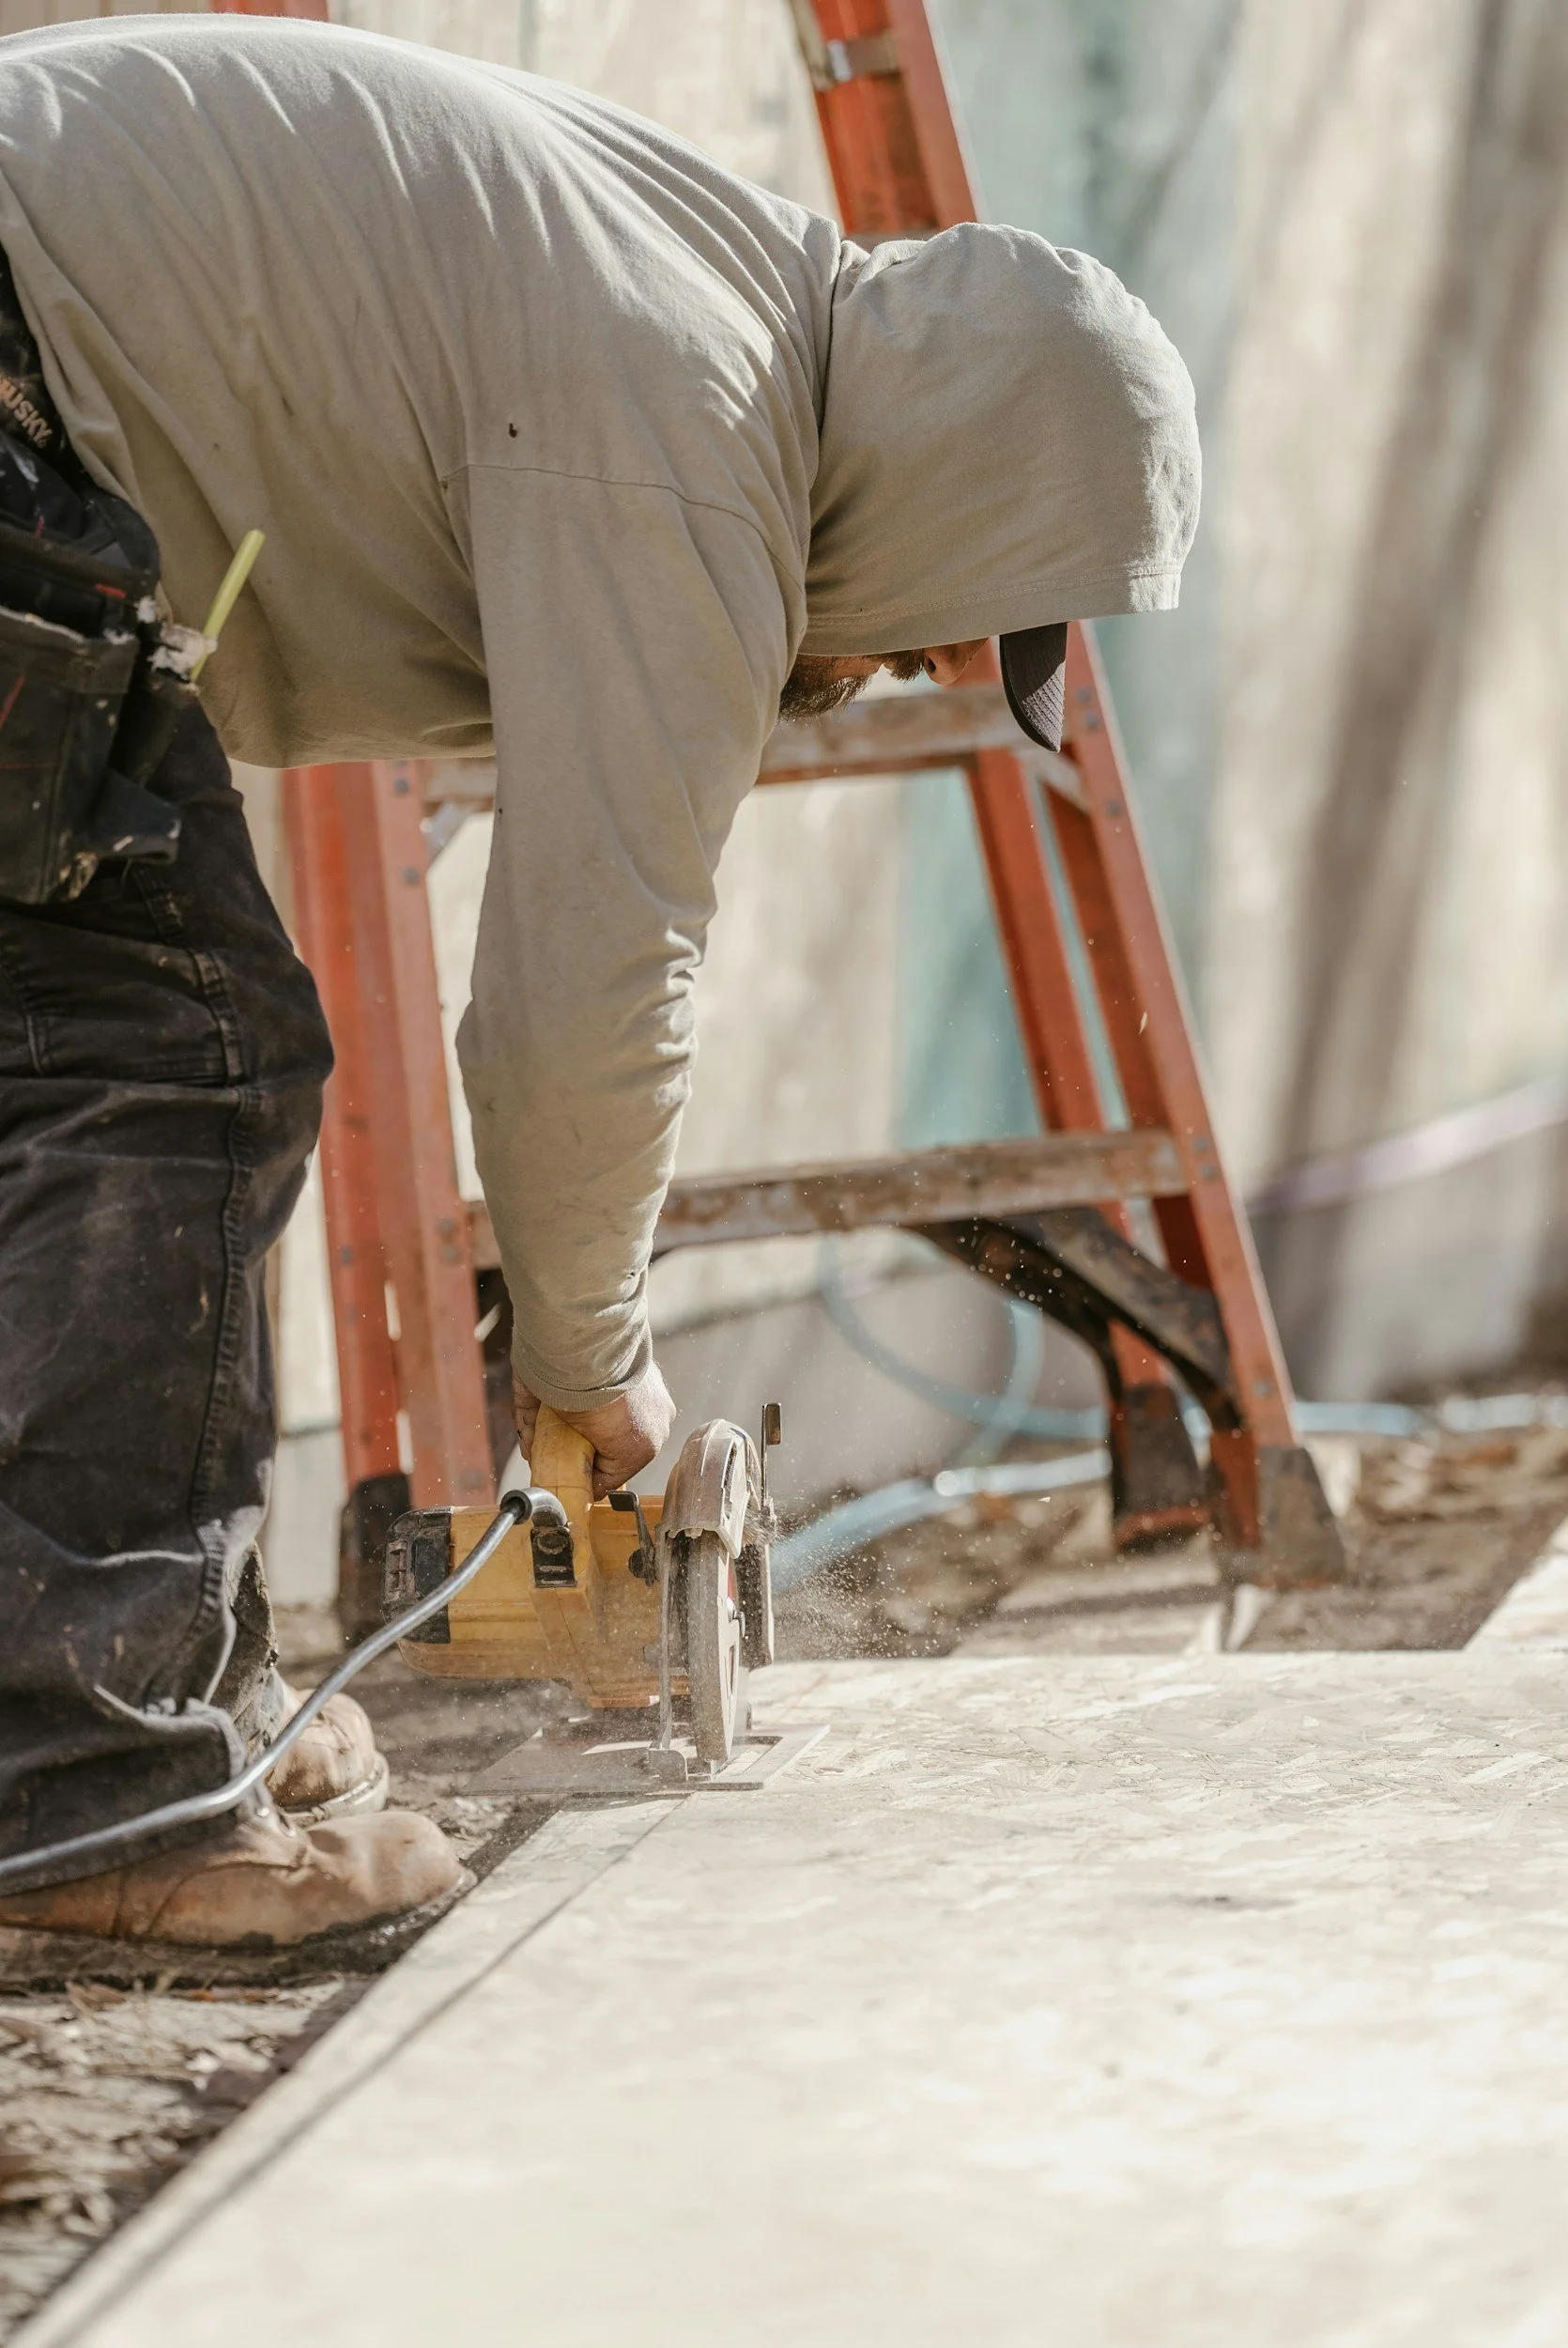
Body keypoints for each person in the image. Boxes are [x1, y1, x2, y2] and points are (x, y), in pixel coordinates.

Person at [0, 14, 1199, 1975]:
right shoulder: (700, 432)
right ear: (947, 491)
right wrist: (597, 1372)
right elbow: (585, 983)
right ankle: (87, 1795)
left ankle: (143, 1712)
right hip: (13, 384)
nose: (913, 669)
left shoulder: (710, 304)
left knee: (97, 1035)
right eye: (959, 618)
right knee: (178, 1061)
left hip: (30, 388)